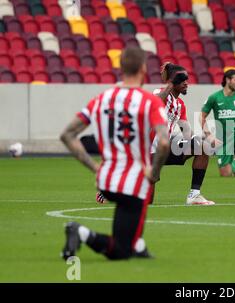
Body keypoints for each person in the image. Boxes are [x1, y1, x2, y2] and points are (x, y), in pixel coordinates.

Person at [60, 47, 170, 260]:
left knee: (128, 229)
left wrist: (95, 167)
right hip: (134, 184)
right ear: (143, 68)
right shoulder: (150, 101)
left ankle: (138, 246)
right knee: (121, 251)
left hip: (106, 181)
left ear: (121, 68)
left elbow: (67, 135)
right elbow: (164, 143)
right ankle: (81, 232)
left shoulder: (102, 98)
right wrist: (153, 172)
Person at [153, 62, 215, 205]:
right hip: (147, 152)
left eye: (187, 79)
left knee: (202, 145)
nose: (186, 83)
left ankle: (194, 195)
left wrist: (203, 138)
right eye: (182, 79)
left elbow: (187, 133)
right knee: (147, 201)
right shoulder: (159, 93)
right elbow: (154, 103)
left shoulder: (180, 105)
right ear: (172, 81)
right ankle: (111, 191)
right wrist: (169, 83)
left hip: (165, 149)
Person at [200, 69, 235, 177]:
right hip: (222, 138)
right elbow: (202, 116)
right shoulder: (214, 97)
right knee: (226, 174)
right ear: (227, 80)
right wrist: (209, 136)